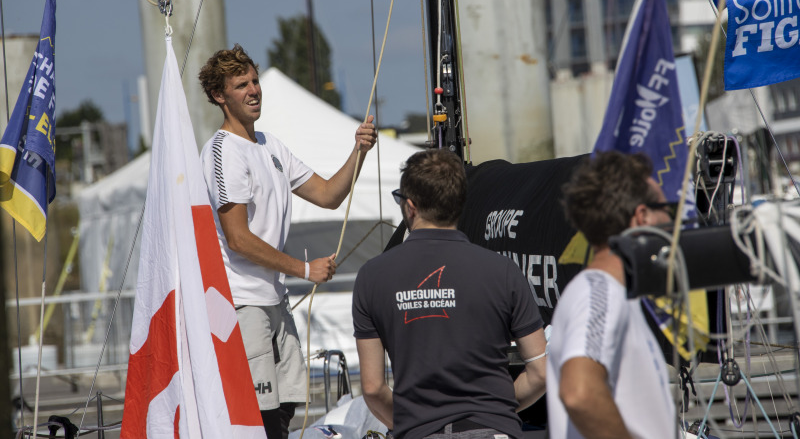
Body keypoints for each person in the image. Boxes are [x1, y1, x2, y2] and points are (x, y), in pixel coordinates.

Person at [198, 44, 377, 439]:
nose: (254, 90)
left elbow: (328, 195)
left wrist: (359, 151)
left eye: (255, 81)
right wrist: (304, 269)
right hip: (241, 302)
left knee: (285, 407)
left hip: (274, 298)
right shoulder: (222, 153)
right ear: (218, 96)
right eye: (241, 85)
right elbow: (238, 239)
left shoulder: (269, 144)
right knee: (257, 415)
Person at [353, 149, 548, 439]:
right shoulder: (503, 270)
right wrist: (496, 411)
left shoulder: (372, 276)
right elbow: (541, 372)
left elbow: (372, 388)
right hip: (494, 430)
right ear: (459, 204)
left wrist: (416, 422)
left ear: (410, 207)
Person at [547, 150, 676, 439]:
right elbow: (579, 392)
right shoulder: (600, 292)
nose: (670, 220)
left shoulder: (610, 292)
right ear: (641, 217)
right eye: (665, 208)